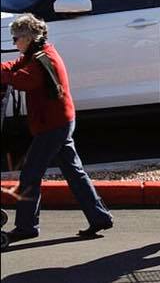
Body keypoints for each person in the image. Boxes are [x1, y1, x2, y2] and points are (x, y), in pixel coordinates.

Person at [1, 14, 113, 243]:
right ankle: (99, 216)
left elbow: (23, 80)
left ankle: (26, 227)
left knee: (30, 175)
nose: (14, 43)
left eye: (15, 39)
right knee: (74, 172)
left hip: (52, 126)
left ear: (28, 38)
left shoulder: (41, 61)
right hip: (60, 121)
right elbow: (16, 67)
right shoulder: (40, 53)